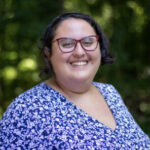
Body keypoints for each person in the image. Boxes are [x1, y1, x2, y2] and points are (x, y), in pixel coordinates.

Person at [0, 12, 150, 149]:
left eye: (88, 42)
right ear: (48, 53)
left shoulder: (110, 93)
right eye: (67, 44)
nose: (79, 52)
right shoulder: (26, 109)